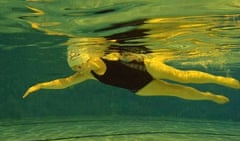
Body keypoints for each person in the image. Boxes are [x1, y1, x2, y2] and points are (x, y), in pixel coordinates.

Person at [22, 37, 240, 104]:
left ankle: (220, 79)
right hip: (139, 86)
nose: (80, 69)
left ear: (90, 56)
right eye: (77, 67)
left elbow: (118, 44)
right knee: (178, 90)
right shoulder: (87, 73)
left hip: (143, 65)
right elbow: (64, 82)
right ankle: (209, 96)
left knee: (181, 76)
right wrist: (39, 86)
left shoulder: (109, 53)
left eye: (81, 64)